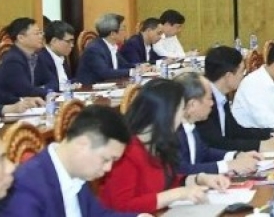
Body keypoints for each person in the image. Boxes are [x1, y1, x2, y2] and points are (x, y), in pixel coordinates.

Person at [98, 79, 230, 213]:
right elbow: (122, 207)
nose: (183, 117)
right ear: (166, 114)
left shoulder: (158, 143)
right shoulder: (125, 151)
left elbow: (170, 181)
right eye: (181, 110)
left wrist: (199, 178)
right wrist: (177, 194)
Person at [4, 105, 150, 217]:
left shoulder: (76, 172)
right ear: (83, 144)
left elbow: (98, 215)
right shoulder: (27, 187)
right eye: (106, 159)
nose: (108, 168)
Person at [195, 46, 274, 153]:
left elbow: (235, 131)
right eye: (242, 71)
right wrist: (260, 145)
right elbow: (216, 143)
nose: (243, 76)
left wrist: (272, 133)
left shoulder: (221, 95)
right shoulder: (203, 101)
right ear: (228, 76)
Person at [173, 72, 260, 176]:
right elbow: (182, 170)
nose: (212, 104)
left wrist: (236, 155)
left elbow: (205, 153)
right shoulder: (173, 133)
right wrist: (228, 165)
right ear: (192, 104)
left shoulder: (191, 125)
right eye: (209, 98)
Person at [0, 17, 56, 104]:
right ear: (21, 38)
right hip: (14, 109)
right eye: (37, 33)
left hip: (34, 105)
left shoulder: (37, 56)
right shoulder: (12, 60)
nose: (41, 36)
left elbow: (53, 81)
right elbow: (25, 90)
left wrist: (44, 90)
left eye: (41, 33)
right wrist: (46, 91)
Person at [76, 14, 133, 85]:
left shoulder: (111, 46)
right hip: (90, 90)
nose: (126, 32)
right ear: (112, 34)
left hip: (108, 87)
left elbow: (124, 65)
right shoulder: (94, 49)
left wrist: (139, 67)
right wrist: (132, 71)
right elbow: (105, 73)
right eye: (123, 29)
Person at [37, 20, 75, 89]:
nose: (72, 45)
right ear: (53, 41)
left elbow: (66, 80)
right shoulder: (41, 59)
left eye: (72, 41)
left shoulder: (61, 56)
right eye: (68, 41)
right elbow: (51, 86)